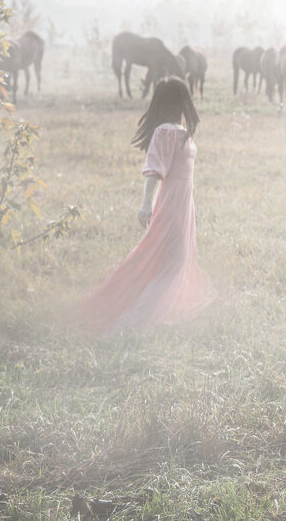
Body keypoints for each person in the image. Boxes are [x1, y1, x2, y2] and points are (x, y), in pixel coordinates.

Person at [84, 77, 213, 334]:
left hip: (183, 203)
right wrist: (145, 204)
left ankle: (147, 317)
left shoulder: (177, 130)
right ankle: (133, 323)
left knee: (175, 262)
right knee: (171, 264)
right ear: (177, 100)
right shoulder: (165, 132)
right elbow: (154, 170)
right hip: (171, 203)